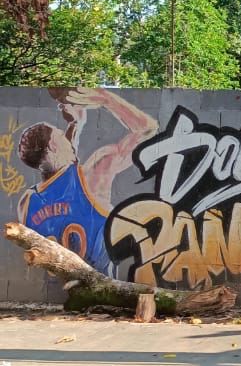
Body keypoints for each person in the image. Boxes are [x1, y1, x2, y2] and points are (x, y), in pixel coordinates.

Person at [18, 87, 157, 273]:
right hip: (105, 285)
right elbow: (147, 129)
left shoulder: (26, 203)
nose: (66, 137)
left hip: (65, 284)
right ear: (53, 145)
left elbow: (62, 178)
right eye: (61, 134)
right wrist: (106, 99)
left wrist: (76, 125)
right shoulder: (93, 175)